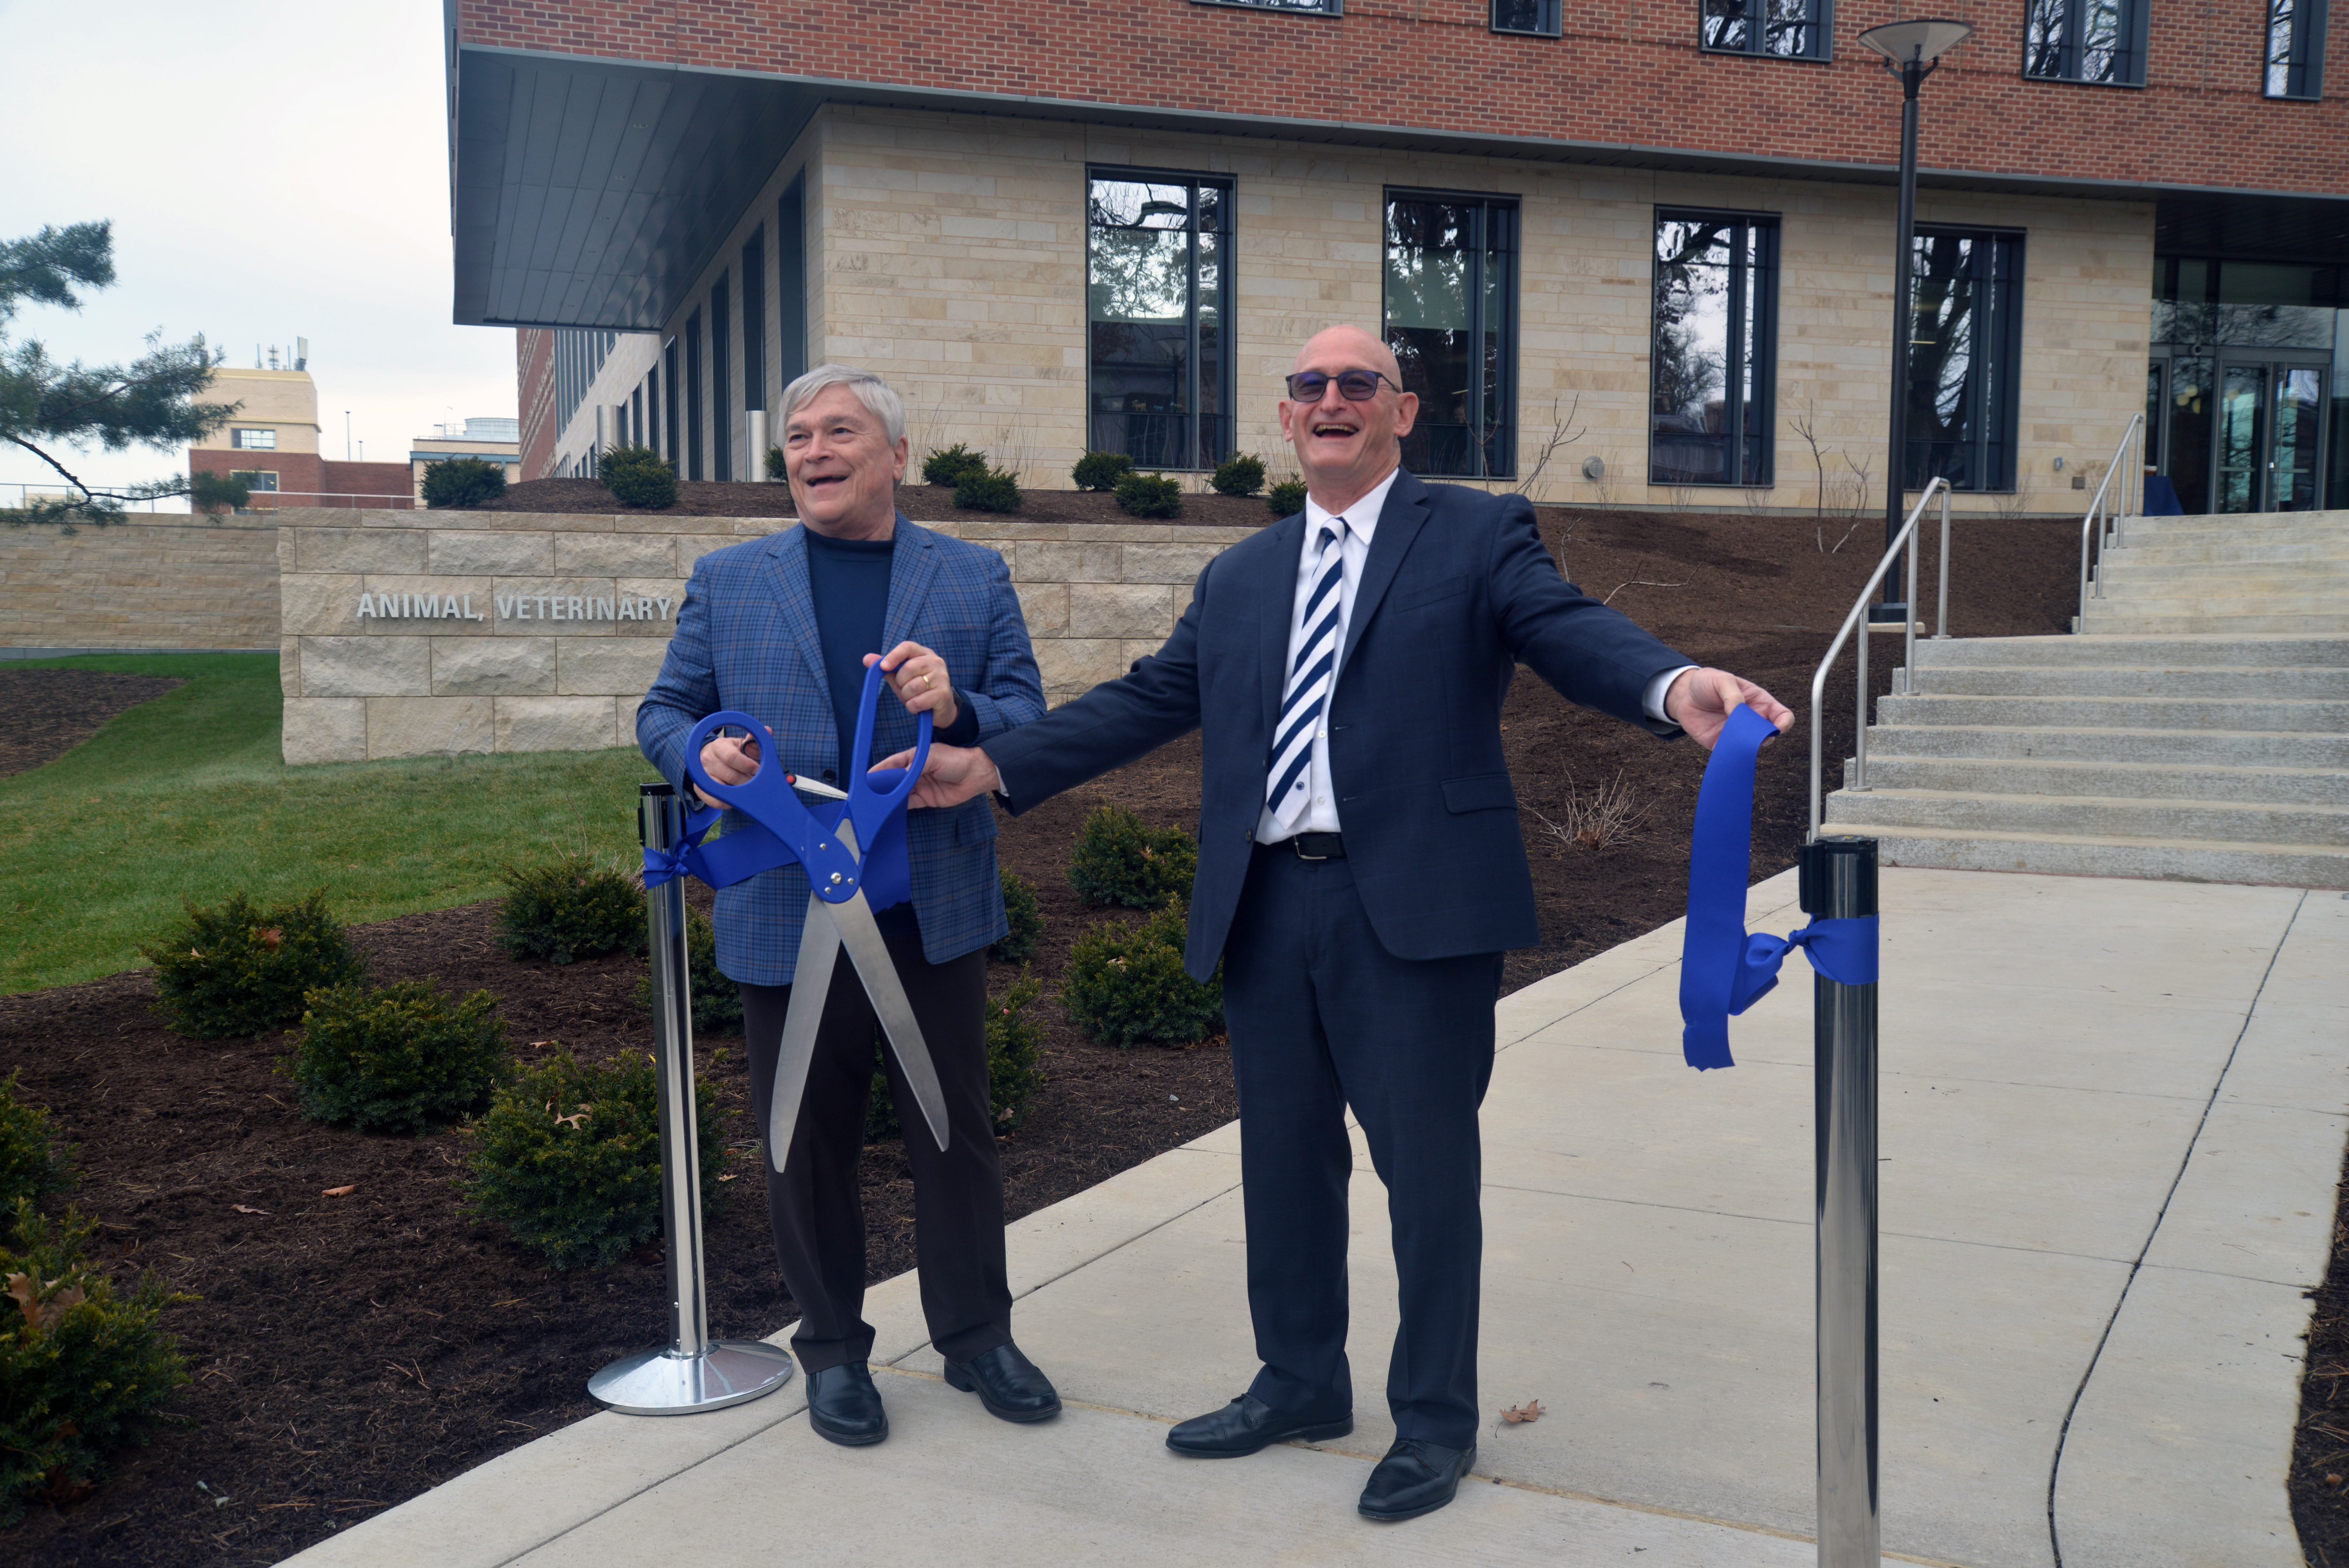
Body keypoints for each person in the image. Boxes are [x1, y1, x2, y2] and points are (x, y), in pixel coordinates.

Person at [893, 326, 1794, 1522]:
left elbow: (1564, 626)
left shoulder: (1475, 533)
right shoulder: (1244, 575)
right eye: (1309, 386)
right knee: (1284, 1164)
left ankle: (1433, 1421)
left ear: (1400, 412)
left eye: (1357, 384)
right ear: (1284, 422)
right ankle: (1301, 1380)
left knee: (1426, 1177)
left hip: (1415, 909)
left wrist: (1674, 685)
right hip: (1270, 902)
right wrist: (991, 765)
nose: (1332, 400)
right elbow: (1155, 698)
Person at [636, 364, 1055, 1447]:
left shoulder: (971, 576)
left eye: (839, 432)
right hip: (787, 907)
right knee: (803, 1141)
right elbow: (665, 710)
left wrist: (960, 705)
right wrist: (702, 755)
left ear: (896, 456)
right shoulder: (730, 579)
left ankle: (977, 1339)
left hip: (933, 906)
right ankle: (830, 1354)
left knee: (954, 1130)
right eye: (797, 437)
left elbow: (1026, 714)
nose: (812, 451)